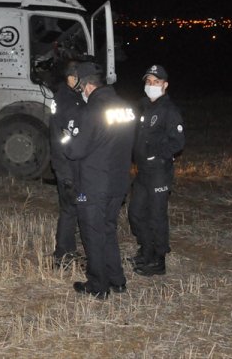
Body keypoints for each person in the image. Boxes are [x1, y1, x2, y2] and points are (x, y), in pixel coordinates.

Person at [63, 61, 136, 298]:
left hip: (94, 183)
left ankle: (97, 285)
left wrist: (67, 137)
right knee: (107, 230)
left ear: (86, 86)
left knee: (92, 232)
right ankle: (117, 279)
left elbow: (75, 150)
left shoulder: (90, 111)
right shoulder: (126, 108)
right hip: (118, 181)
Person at [128, 64, 185, 276]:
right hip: (142, 171)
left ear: (165, 85)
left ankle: (158, 260)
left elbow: (178, 142)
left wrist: (156, 153)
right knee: (135, 213)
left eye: (156, 82)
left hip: (159, 171)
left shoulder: (169, 111)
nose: (152, 85)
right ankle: (146, 249)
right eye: (149, 82)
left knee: (156, 216)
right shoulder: (144, 107)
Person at [48, 61, 83, 269]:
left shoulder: (63, 96)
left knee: (68, 209)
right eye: (77, 78)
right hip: (67, 164)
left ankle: (66, 251)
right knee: (70, 209)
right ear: (70, 78)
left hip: (63, 162)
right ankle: (63, 254)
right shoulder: (68, 100)